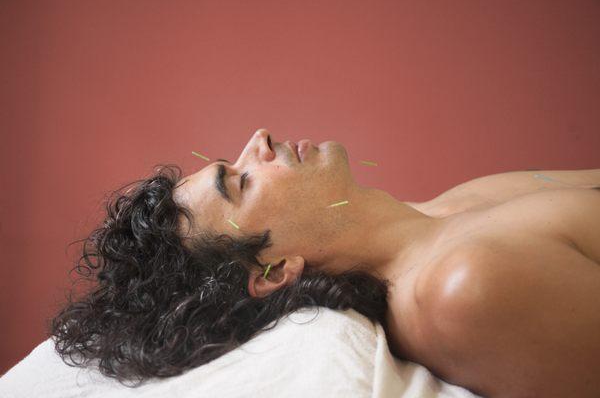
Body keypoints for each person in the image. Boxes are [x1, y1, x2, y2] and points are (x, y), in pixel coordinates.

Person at [49, 129, 600, 397]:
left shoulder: (446, 210)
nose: (258, 139)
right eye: (240, 181)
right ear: (272, 271)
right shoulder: (462, 289)